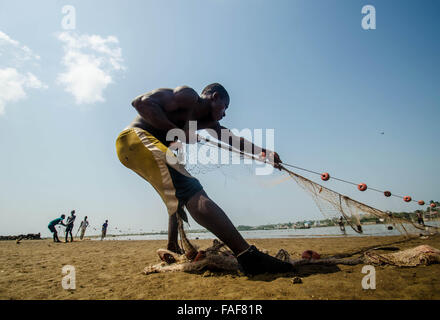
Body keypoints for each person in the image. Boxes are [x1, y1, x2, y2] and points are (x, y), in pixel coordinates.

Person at [115, 83, 294, 275]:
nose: (225, 114)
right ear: (215, 97)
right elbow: (141, 103)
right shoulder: (188, 96)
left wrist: (264, 153)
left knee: (178, 196)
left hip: (135, 151)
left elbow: (234, 140)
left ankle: (173, 246)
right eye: (225, 107)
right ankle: (247, 256)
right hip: (134, 139)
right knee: (193, 191)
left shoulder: (209, 124)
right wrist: (177, 132)